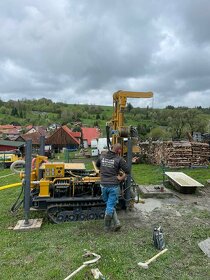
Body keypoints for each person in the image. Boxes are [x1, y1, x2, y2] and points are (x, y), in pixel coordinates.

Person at [96, 143, 130, 232]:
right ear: (119, 150)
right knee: (110, 206)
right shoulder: (119, 159)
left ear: (111, 148)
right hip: (113, 186)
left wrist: (104, 170)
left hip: (103, 185)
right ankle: (106, 227)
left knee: (109, 204)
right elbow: (128, 171)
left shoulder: (101, 156)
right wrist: (121, 177)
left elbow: (97, 165)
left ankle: (117, 222)